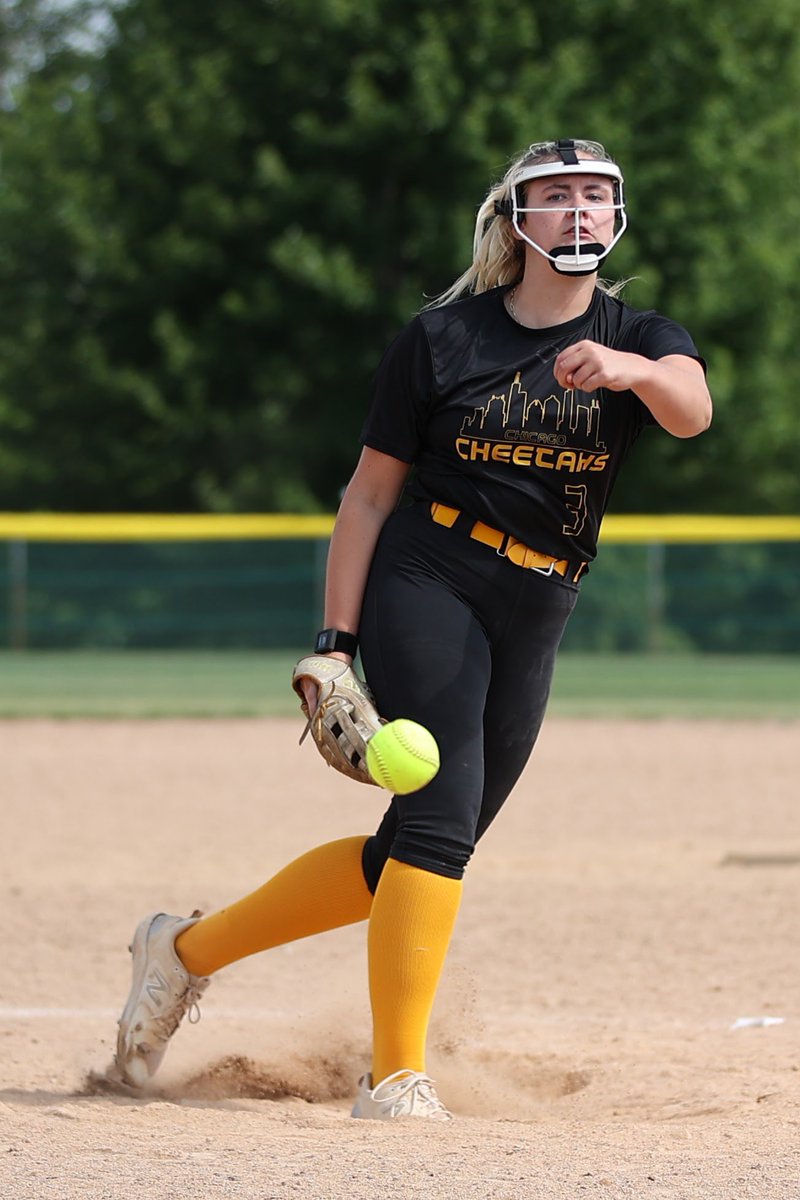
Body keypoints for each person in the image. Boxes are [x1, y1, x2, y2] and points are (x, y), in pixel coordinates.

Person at [113, 137, 712, 1121]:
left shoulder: (643, 335)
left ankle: (180, 953)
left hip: (542, 598)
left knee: (417, 848)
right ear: (515, 220)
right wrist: (336, 641)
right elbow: (367, 497)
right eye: (553, 197)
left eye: (594, 198)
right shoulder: (441, 341)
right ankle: (394, 1078)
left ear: (616, 218)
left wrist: (627, 369)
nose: (577, 213)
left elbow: (689, 412)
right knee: (437, 824)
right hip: (430, 572)